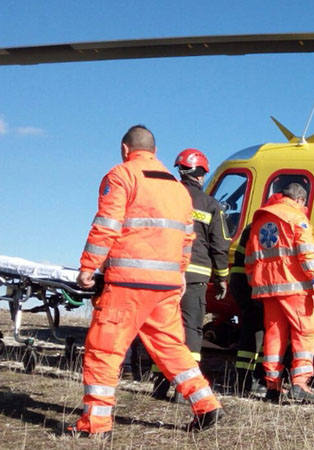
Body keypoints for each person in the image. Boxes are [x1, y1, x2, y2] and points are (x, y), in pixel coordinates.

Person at [70, 125, 223, 438]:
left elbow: (107, 225)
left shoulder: (122, 175)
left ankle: (96, 424)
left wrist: (88, 266)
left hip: (128, 281)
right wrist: (179, 274)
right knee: (170, 347)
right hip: (166, 284)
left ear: (126, 149)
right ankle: (206, 405)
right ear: (153, 151)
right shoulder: (177, 189)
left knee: (104, 349)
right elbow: (186, 239)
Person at [151, 148, 231, 401]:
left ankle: (159, 383)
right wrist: (222, 278)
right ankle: (183, 388)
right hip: (195, 274)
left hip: (165, 273)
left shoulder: (166, 198)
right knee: (192, 329)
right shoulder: (210, 205)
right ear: (202, 174)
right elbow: (220, 245)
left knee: (164, 327)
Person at [244, 183, 314, 403]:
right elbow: (306, 253)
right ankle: (300, 383)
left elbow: (250, 257)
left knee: (274, 335)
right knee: (305, 332)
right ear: (300, 200)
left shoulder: (260, 220)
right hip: (295, 287)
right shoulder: (296, 218)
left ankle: (273, 386)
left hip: (268, 289)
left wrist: (256, 282)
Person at [229, 222, 267, 395]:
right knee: (255, 328)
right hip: (250, 281)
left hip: (243, 278)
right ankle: (246, 380)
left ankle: (249, 378)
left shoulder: (257, 223)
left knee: (255, 327)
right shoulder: (270, 224)